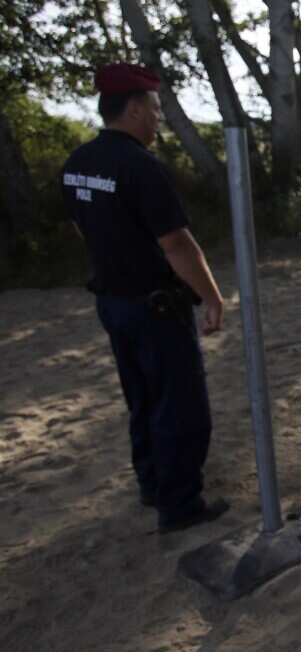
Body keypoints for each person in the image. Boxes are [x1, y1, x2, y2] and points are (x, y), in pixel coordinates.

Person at [60, 63, 229, 533]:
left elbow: (82, 228)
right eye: (155, 109)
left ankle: (152, 483)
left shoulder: (78, 164)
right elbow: (176, 244)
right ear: (133, 108)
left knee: (142, 396)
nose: (158, 119)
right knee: (180, 404)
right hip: (156, 305)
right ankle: (180, 505)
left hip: (113, 302)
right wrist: (211, 297)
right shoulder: (140, 166)